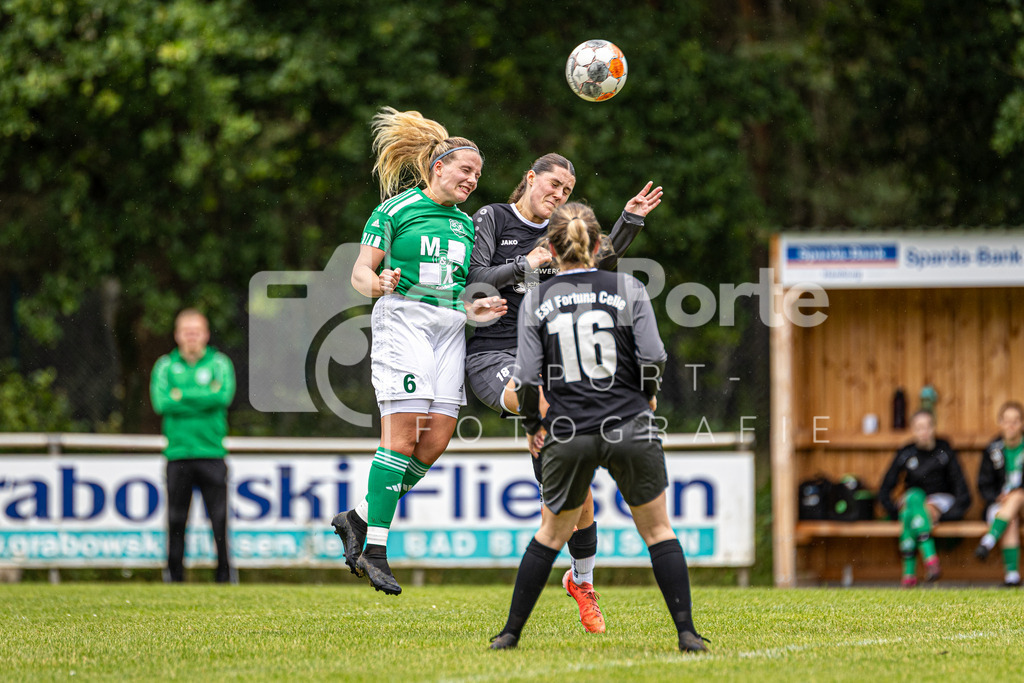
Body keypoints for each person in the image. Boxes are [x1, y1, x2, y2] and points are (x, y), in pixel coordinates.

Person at [489, 202, 707, 653]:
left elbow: (527, 377)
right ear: (596, 243)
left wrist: (533, 424)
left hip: (569, 428)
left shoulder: (538, 298)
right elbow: (653, 357)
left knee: (549, 535)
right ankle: (687, 635)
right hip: (629, 422)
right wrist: (647, 394)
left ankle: (509, 635)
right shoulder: (627, 287)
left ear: (550, 246)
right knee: (658, 532)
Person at [466, 152, 662, 634]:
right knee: (551, 414)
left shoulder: (561, 234)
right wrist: (523, 264)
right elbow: (472, 281)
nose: (558, 195)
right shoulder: (492, 217)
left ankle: (583, 582)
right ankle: (542, 431)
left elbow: (598, 259)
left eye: (566, 192)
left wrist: (629, 221)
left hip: (553, 362)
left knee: (575, 491)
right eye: (552, 185)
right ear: (530, 178)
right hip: (493, 357)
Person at [330, 107, 505, 596]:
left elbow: (455, 292)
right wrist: (379, 282)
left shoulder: (466, 226)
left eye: (477, 175)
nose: (472, 179)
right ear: (438, 168)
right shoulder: (396, 209)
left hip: (449, 330)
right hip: (402, 322)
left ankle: (358, 518)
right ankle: (377, 550)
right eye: (465, 170)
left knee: (435, 442)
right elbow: (359, 273)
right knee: (403, 437)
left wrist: (477, 311)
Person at [150, 308, 237, 583]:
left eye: (196, 332)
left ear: (206, 335)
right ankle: (175, 576)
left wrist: (182, 396)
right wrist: (203, 396)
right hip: (178, 454)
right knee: (176, 520)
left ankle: (224, 575)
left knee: (219, 520)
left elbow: (222, 397)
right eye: (186, 332)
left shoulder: (220, 363)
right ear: (177, 335)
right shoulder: (165, 366)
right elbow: (162, 403)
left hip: (212, 453)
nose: (191, 337)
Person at [878, 410, 971, 587]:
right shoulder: (906, 452)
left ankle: (909, 574)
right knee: (912, 500)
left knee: (911, 513)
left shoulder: (945, 449)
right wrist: (891, 509)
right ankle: (930, 560)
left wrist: (953, 514)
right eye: (919, 428)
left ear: (934, 428)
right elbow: (886, 485)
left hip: (939, 500)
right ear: (913, 430)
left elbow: (960, 484)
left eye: (928, 426)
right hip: (913, 500)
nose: (924, 431)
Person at [974, 400, 1024, 585]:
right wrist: (996, 496)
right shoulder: (993, 449)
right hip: (1002, 507)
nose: (1011, 425)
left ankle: (989, 540)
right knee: (1010, 518)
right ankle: (1012, 576)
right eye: (1007, 420)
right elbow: (983, 484)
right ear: (1000, 422)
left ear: (1022, 423)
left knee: (1018, 495)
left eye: (1016, 421)